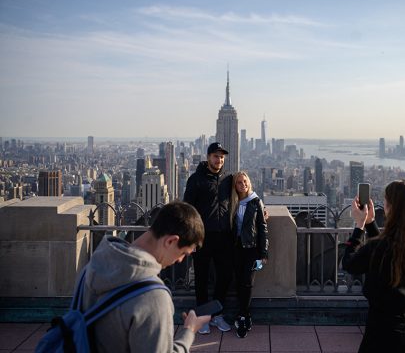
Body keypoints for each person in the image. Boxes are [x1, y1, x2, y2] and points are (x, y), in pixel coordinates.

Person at [80, 201, 210, 353]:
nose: (181, 260)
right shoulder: (153, 297)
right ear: (171, 241)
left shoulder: (94, 264)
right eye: (184, 254)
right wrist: (188, 331)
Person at [342, 180, 405, 353]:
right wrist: (371, 223)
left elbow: (350, 264)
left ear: (391, 208)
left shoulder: (378, 248)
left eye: (386, 202)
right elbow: (392, 254)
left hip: (381, 331)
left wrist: (359, 226)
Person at [183, 142, 234, 334]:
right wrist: (191, 238)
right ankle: (202, 318)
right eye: (215, 156)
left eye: (222, 157)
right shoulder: (196, 179)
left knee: (224, 277)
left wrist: (261, 208)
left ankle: (217, 315)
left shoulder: (228, 179)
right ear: (208, 157)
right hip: (202, 238)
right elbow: (187, 209)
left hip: (224, 238)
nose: (219, 160)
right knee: (202, 279)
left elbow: (245, 194)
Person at [230, 171, 269, 338]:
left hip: (251, 249)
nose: (243, 184)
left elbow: (262, 228)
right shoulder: (232, 203)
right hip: (235, 248)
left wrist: (264, 253)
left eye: (245, 181)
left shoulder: (255, 201)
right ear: (235, 186)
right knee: (238, 282)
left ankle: (243, 315)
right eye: (239, 182)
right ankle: (244, 315)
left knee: (247, 282)